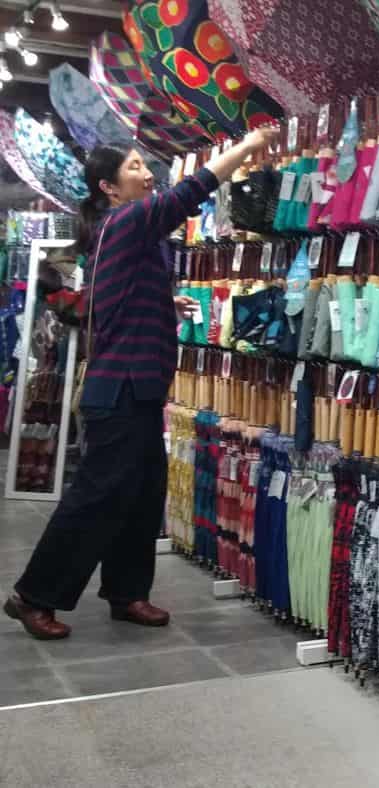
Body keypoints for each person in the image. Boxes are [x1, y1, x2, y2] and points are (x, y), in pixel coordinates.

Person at [4, 127, 279, 640]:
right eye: (134, 166)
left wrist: (162, 303)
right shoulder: (127, 220)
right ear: (108, 187)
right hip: (120, 389)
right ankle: (33, 595)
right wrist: (242, 149)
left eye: (143, 164)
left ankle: (126, 592)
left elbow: (110, 296)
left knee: (143, 493)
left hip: (141, 386)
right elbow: (186, 194)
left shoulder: (126, 232)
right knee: (97, 495)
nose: (147, 173)